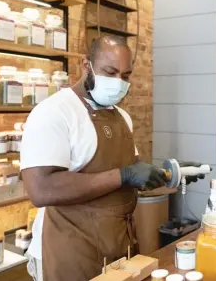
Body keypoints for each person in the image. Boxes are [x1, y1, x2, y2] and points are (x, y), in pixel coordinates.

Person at [21, 36, 168, 281]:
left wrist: (170, 175)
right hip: (71, 250)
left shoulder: (122, 117)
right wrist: (123, 175)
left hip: (119, 247)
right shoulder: (54, 112)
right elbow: (41, 189)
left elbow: (130, 176)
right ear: (85, 65)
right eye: (110, 72)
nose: (118, 82)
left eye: (125, 76)